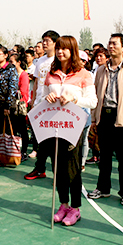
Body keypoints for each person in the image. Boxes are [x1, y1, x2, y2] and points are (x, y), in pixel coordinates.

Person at [44, 36, 97, 226]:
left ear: (73, 51)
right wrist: (48, 98)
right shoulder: (51, 74)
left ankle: (75, 208)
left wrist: (74, 100)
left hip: (74, 126)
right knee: (57, 167)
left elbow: (92, 101)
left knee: (72, 168)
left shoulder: (83, 74)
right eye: (58, 48)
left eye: (65, 49)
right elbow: (41, 99)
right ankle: (63, 204)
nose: (60, 52)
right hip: (53, 126)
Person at [87, 34, 123, 206]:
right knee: (104, 157)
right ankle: (103, 188)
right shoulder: (101, 70)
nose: (110, 46)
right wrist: (95, 120)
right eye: (109, 43)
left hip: (122, 120)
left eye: (114, 43)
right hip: (104, 117)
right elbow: (96, 97)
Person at [25, 30, 60, 180]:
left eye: (47, 41)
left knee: (52, 139)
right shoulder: (40, 61)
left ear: (55, 43)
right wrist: (33, 101)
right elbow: (37, 83)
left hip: (53, 104)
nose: (44, 43)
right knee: (40, 138)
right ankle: (40, 168)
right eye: (43, 40)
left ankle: (53, 170)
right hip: (40, 102)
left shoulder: (58, 60)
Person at [0, 46, 19, 164]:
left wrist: (8, 106)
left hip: (5, 105)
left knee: (7, 132)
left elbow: (12, 88)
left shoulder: (10, 69)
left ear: (5, 56)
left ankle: (7, 156)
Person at [9, 52, 30, 160]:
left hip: (20, 106)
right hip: (12, 106)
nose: (10, 64)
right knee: (13, 129)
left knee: (22, 130)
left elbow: (23, 92)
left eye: (12, 62)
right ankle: (14, 151)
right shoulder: (12, 74)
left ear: (19, 62)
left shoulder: (23, 75)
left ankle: (24, 151)